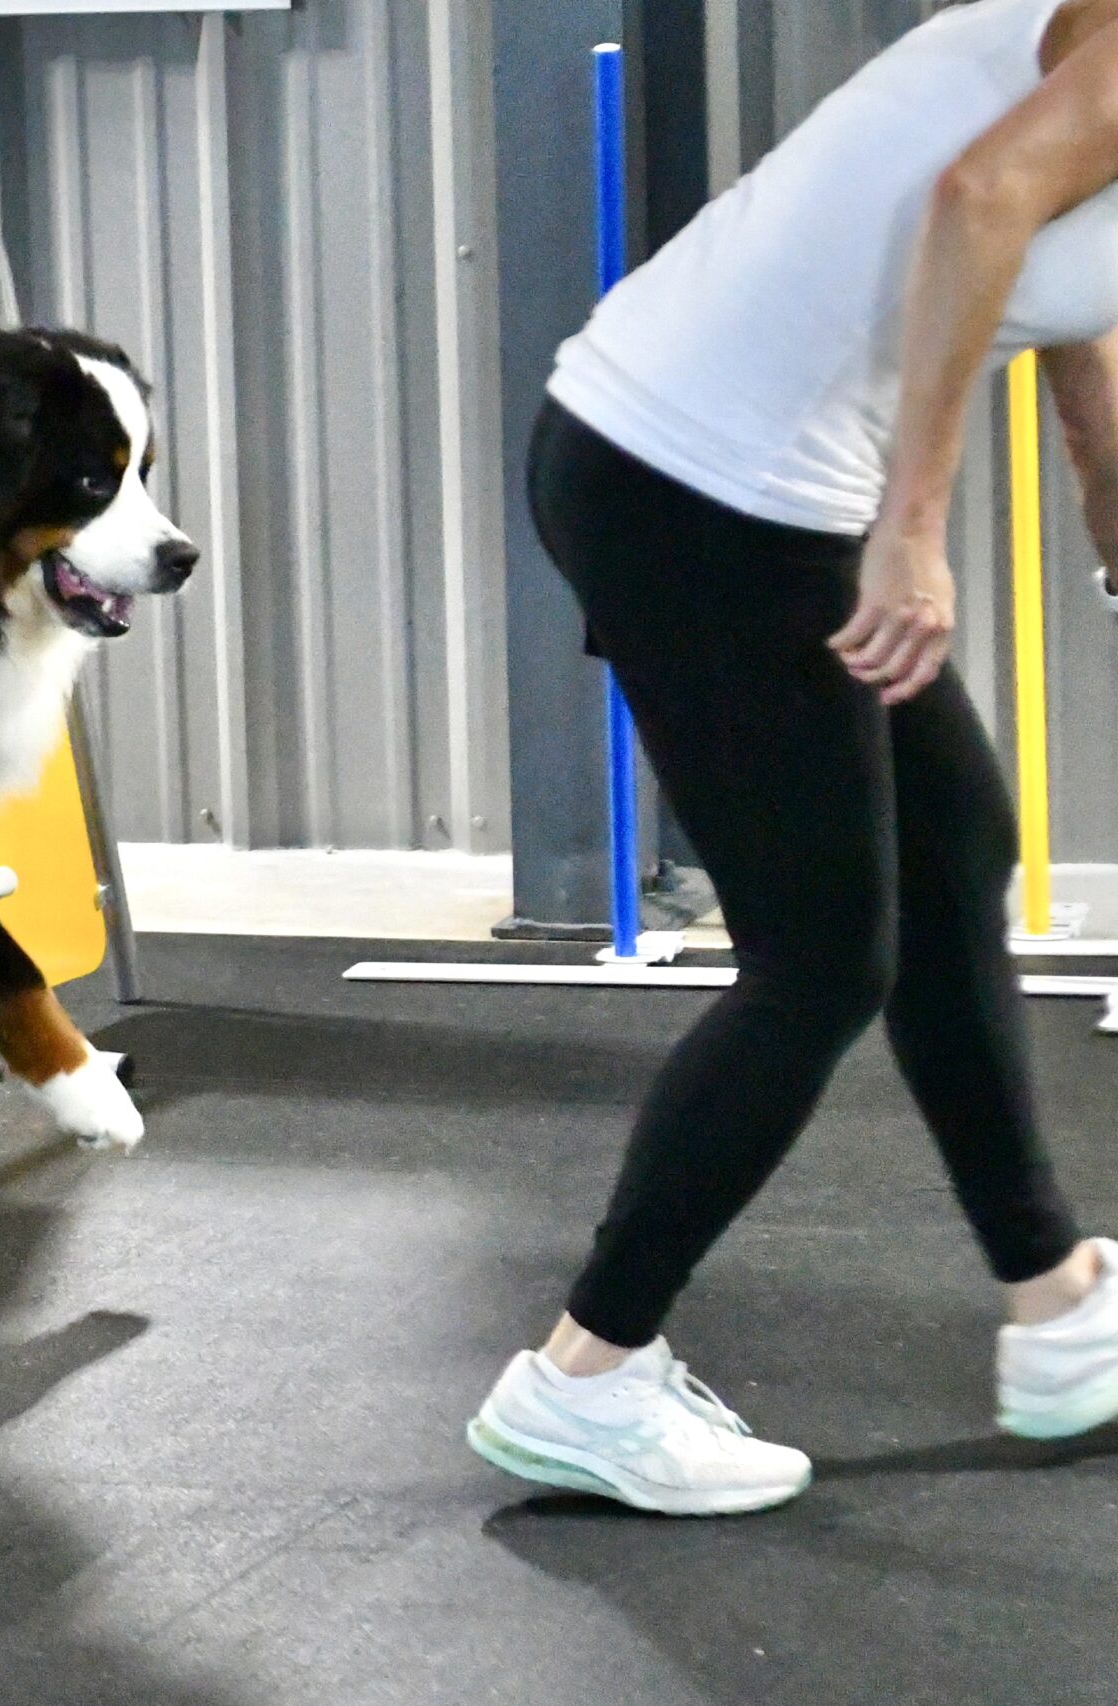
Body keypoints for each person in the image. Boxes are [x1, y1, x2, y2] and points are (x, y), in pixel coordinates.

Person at [468, 0, 1118, 1516]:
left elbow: (1071, 288)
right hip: (693, 479)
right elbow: (982, 200)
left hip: (744, 481)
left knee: (955, 844)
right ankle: (587, 1374)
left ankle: (1056, 1303)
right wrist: (911, 523)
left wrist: (1110, 520)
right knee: (824, 955)